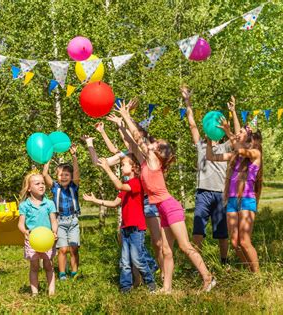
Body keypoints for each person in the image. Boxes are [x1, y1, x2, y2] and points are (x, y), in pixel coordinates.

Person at [117, 100, 216, 293]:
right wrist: (124, 120)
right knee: (166, 250)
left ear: (159, 151)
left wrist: (126, 116)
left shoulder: (153, 160)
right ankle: (167, 288)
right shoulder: (147, 161)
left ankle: (208, 278)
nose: (151, 142)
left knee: (185, 246)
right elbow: (133, 140)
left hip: (170, 207)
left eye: (155, 143)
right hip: (162, 209)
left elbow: (138, 138)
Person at [180, 86, 240, 264]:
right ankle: (196, 264)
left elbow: (236, 135)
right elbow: (191, 123)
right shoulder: (200, 145)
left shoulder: (225, 147)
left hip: (221, 194)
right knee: (198, 231)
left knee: (222, 233)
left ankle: (224, 261)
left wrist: (233, 111)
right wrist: (187, 101)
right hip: (203, 193)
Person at [83, 155, 156, 293]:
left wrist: (107, 168)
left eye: (124, 165)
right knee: (124, 261)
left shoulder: (136, 183)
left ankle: (150, 283)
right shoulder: (125, 187)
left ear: (134, 166)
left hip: (136, 228)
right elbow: (114, 203)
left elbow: (118, 185)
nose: (121, 167)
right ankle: (125, 288)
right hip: (125, 228)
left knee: (137, 259)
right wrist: (95, 200)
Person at [206, 116, 263, 272]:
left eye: (241, 132)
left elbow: (240, 149)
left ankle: (258, 276)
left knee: (244, 241)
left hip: (246, 200)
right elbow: (210, 157)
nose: (238, 134)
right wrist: (209, 140)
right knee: (234, 243)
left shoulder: (255, 153)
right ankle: (251, 272)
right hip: (232, 201)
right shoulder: (235, 156)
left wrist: (227, 130)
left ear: (250, 136)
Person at [42, 145, 81, 280]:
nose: (64, 177)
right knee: (63, 249)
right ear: (57, 177)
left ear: (70, 176)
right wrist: (47, 161)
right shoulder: (54, 187)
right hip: (60, 221)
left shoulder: (74, 186)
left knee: (74, 248)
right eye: (60, 174)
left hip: (73, 220)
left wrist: (74, 156)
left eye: (66, 174)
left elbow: (76, 173)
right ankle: (63, 273)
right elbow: (45, 175)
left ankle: (75, 272)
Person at [17, 171, 58, 295]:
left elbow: (54, 221)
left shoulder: (49, 203)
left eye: (43, 183)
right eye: (37, 183)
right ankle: (35, 293)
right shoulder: (24, 205)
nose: (41, 186)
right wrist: (25, 231)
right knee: (34, 267)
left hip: (48, 240)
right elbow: (20, 223)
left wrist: (54, 232)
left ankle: (51, 293)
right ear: (29, 188)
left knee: (48, 265)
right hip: (32, 240)